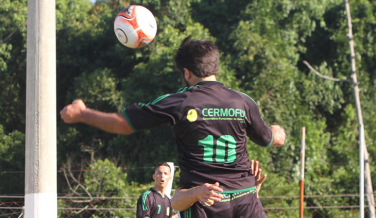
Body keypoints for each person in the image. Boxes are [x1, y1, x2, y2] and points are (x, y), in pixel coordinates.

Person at [60, 36, 286, 218]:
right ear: (215, 66)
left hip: (205, 203)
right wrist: (278, 132)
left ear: (187, 72)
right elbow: (270, 138)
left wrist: (83, 113)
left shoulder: (181, 102)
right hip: (245, 199)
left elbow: (125, 124)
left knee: (180, 198)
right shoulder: (243, 102)